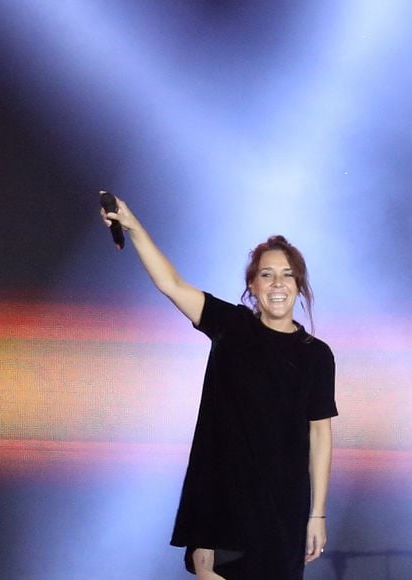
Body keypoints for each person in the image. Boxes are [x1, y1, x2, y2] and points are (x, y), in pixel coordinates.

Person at [101, 197, 338, 579]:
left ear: (299, 284)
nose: (277, 284)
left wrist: (318, 514)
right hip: (223, 510)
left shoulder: (316, 355)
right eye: (267, 274)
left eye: (287, 274)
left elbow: (320, 434)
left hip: (283, 514)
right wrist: (132, 226)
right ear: (252, 284)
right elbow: (171, 284)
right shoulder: (232, 326)